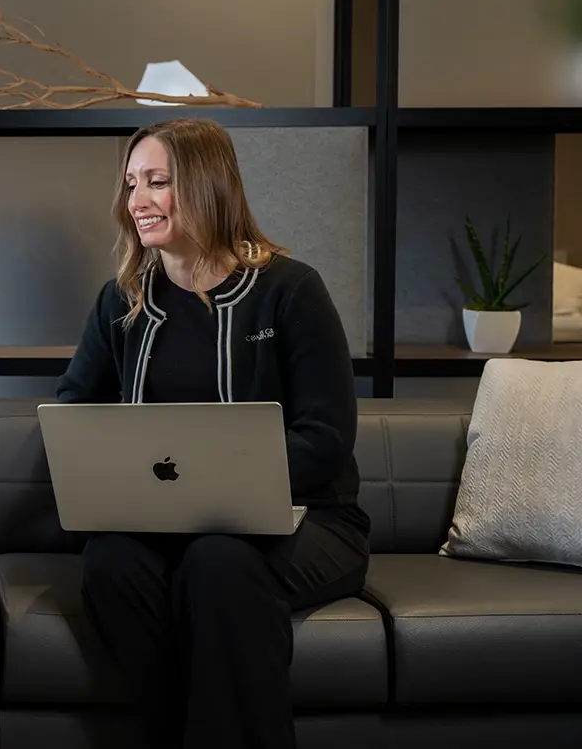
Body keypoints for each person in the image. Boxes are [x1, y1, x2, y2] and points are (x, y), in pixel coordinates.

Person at [56, 117, 370, 749]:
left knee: (218, 562)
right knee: (111, 563)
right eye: (131, 184)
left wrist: (224, 491)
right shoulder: (120, 300)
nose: (137, 200)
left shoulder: (290, 290)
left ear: (206, 185)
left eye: (157, 182)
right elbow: (73, 410)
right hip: (159, 526)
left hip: (308, 521)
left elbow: (326, 436)